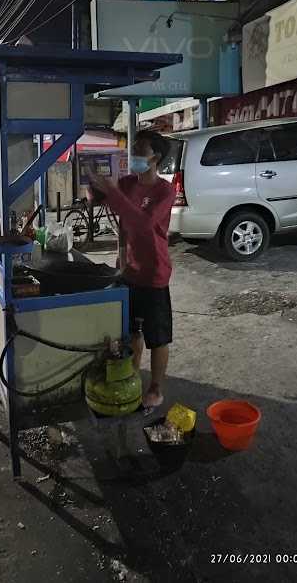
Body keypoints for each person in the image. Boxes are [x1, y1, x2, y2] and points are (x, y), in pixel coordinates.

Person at [88, 131, 175, 408]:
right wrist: (92, 183)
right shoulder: (127, 183)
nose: (133, 155)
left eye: (139, 150)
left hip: (154, 273)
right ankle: (133, 375)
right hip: (128, 270)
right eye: (133, 149)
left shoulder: (165, 190)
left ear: (155, 158)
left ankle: (156, 388)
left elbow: (143, 223)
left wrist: (112, 191)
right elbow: (98, 200)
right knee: (131, 331)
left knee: (157, 337)